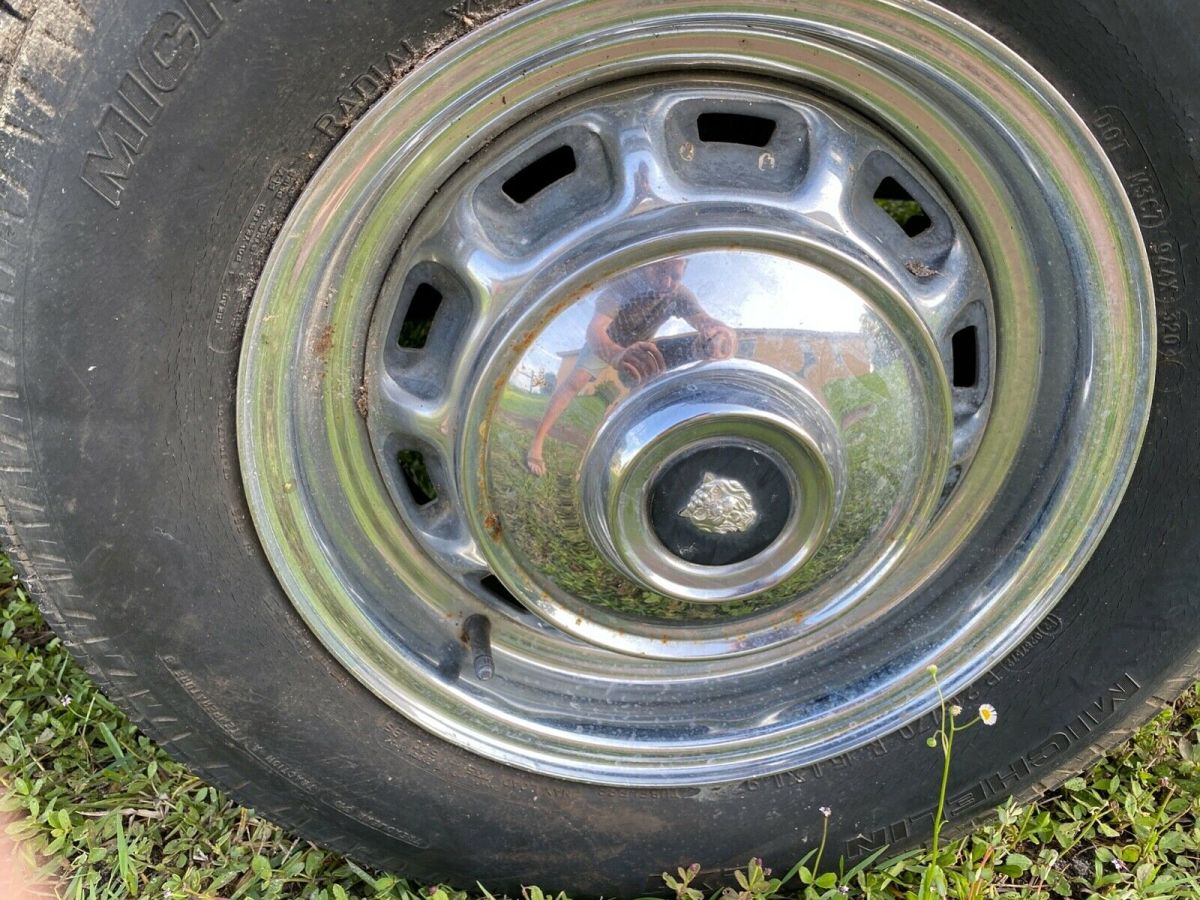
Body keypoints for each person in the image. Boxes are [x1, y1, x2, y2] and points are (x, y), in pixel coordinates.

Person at [526, 257, 735, 476]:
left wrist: (722, 336)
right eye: (660, 271)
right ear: (649, 265)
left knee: (633, 402)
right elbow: (595, 329)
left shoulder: (679, 294)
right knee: (575, 381)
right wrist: (615, 354)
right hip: (607, 340)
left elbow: (704, 321)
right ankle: (538, 440)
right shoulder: (625, 285)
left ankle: (601, 456)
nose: (667, 281)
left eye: (675, 276)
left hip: (639, 348)